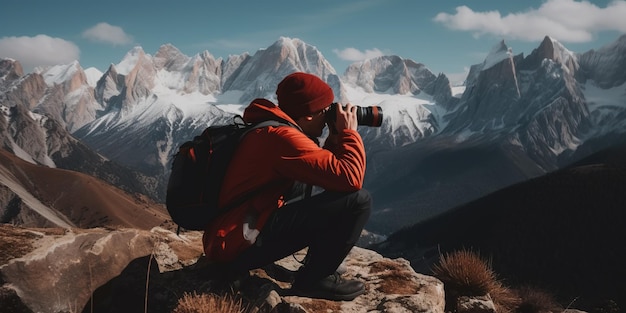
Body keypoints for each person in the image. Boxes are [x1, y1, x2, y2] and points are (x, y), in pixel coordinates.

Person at [202, 72, 372, 301]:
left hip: (233, 238)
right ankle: (313, 280)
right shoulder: (282, 138)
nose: (329, 116)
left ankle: (321, 263)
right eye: (325, 111)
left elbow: (326, 175)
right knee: (359, 201)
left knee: (314, 189)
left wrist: (334, 138)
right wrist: (349, 133)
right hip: (236, 246)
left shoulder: (274, 129)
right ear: (309, 116)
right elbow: (350, 178)